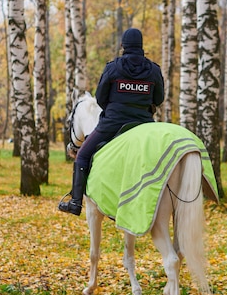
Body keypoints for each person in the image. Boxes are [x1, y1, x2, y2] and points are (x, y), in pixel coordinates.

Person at [59, 28, 165, 215]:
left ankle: (75, 203)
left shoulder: (113, 68)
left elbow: (100, 97)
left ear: (123, 45)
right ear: (141, 45)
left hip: (112, 125)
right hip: (144, 126)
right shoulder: (154, 70)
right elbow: (159, 99)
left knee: (82, 155)